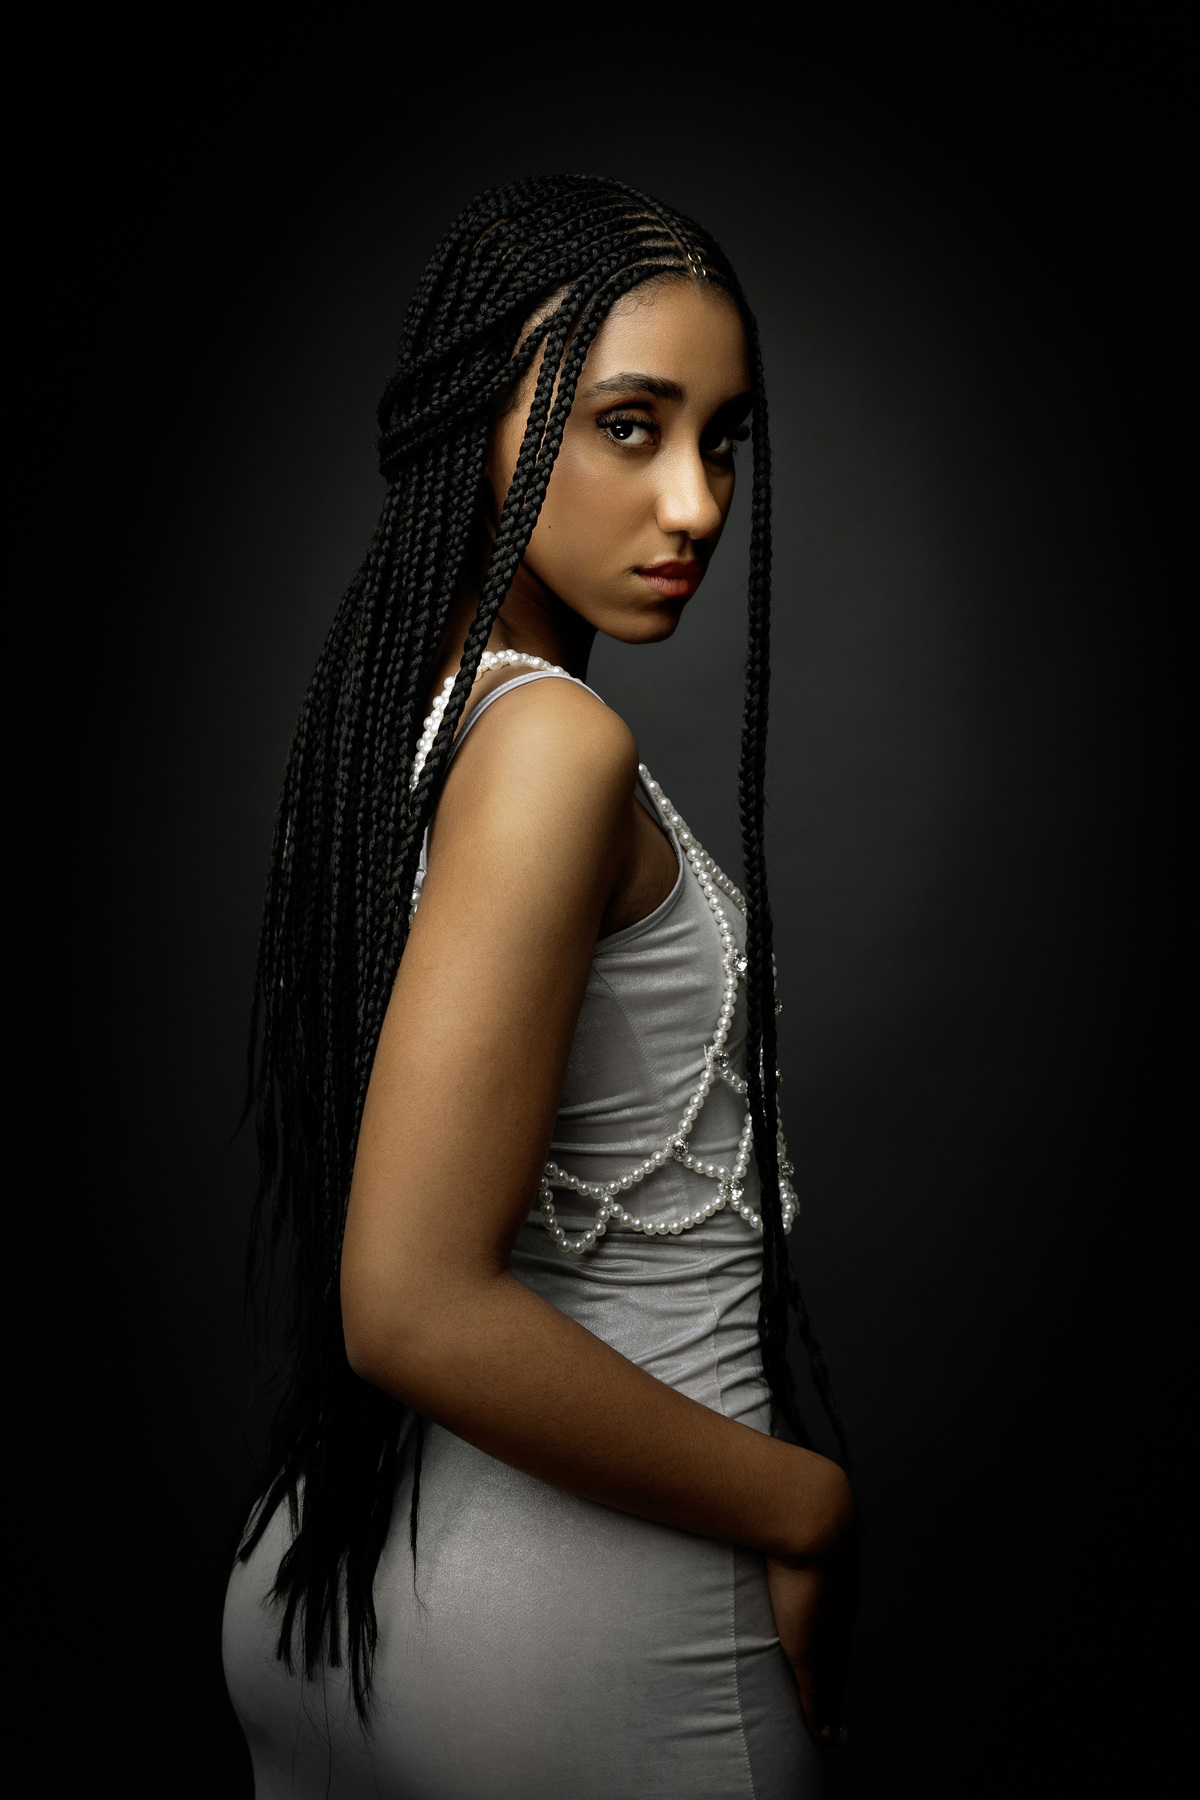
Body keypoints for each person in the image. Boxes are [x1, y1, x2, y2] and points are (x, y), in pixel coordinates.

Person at [222, 173, 856, 1798]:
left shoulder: (397, 723)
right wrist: (802, 1503)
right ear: (481, 427)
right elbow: (410, 1301)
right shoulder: (556, 748)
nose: (697, 503)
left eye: (723, 439)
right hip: (590, 1623)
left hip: (335, 1584)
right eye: (629, 427)